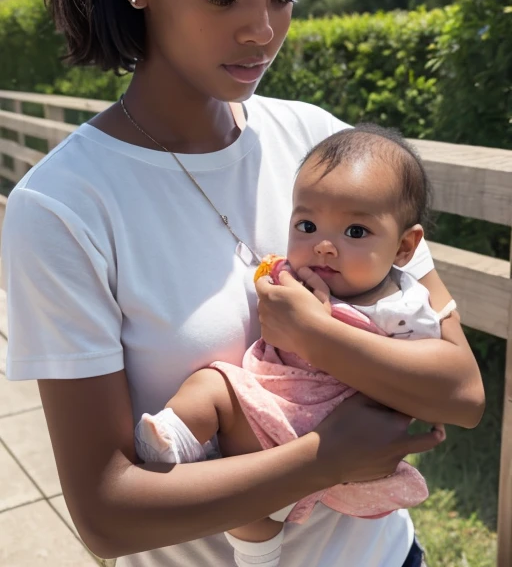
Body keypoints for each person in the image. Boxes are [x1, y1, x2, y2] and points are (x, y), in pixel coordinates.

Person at [2, 0, 484, 566]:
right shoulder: (64, 208)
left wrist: (318, 337)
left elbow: (459, 389)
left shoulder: (324, 145)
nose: (262, 28)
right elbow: (106, 514)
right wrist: (324, 459)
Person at [133, 124, 458, 567]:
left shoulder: (402, 305)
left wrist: (318, 331)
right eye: (307, 225)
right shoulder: (295, 276)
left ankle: (258, 558)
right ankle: (173, 438)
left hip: (337, 423)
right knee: (214, 384)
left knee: (261, 503)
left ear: (404, 247)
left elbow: (432, 375)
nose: (324, 246)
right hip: (267, 403)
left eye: (356, 233)